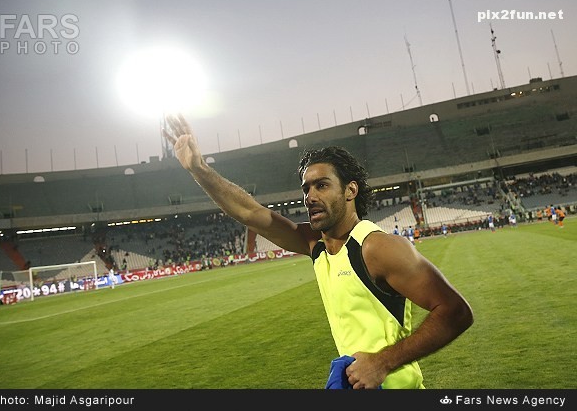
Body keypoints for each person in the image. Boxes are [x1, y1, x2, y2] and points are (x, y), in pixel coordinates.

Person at [163, 113, 473, 389]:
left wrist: (382, 362)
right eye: (306, 188)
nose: (310, 196)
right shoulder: (316, 244)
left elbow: (456, 311)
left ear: (350, 190)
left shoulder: (377, 247)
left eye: (321, 185)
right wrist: (199, 169)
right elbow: (249, 213)